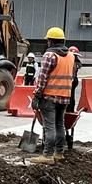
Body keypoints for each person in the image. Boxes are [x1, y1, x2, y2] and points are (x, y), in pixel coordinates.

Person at [31, 27, 76, 164]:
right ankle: (59, 153)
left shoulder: (50, 55)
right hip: (64, 97)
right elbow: (72, 76)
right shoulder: (71, 55)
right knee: (60, 125)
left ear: (50, 41)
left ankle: (47, 156)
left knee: (49, 126)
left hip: (49, 96)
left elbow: (42, 78)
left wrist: (37, 95)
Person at [67, 46, 82, 114]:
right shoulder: (77, 62)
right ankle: (71, 109)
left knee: (70, 96)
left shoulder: (73, 62)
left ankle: (69, 109)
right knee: (71, 95)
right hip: (74, 80)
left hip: (72, 80)